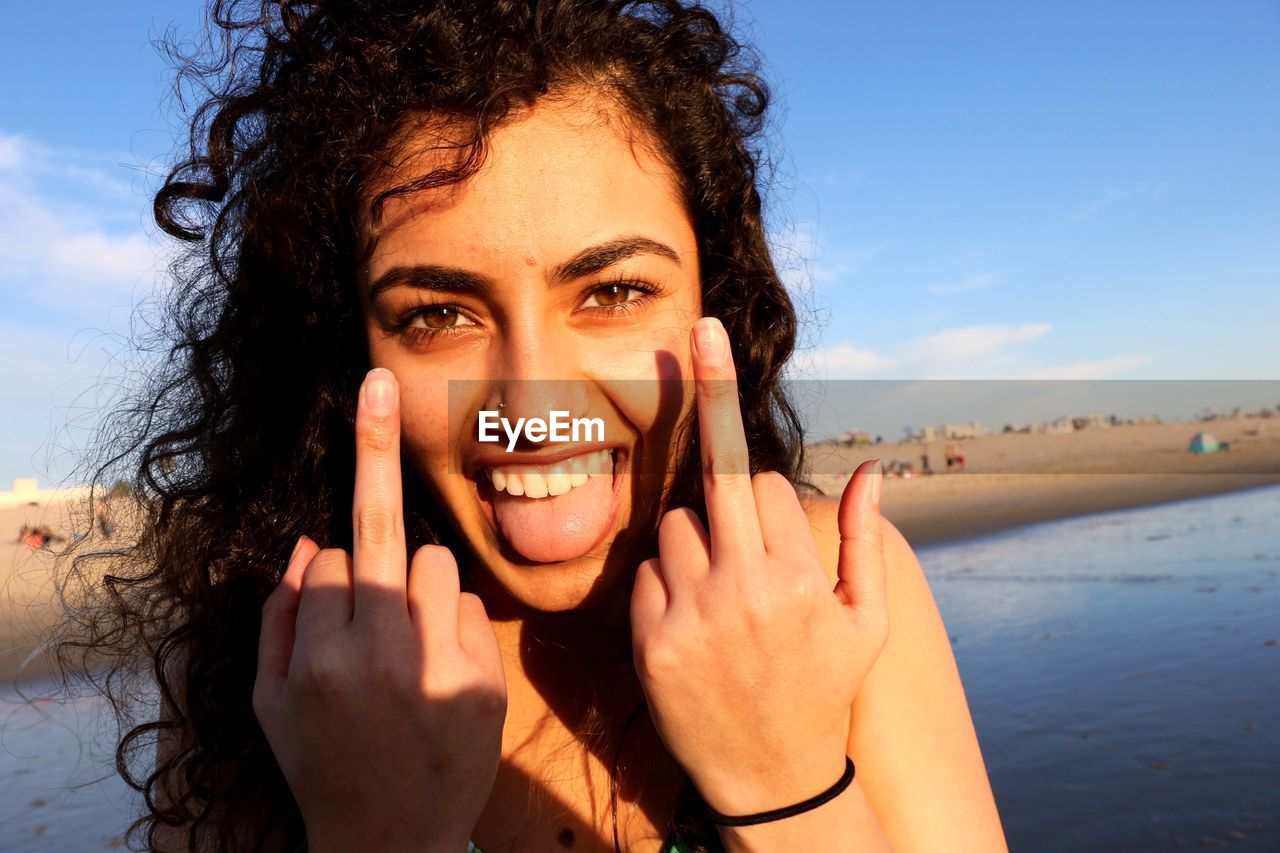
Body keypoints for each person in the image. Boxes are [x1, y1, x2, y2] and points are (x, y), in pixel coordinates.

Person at [53, 2, 1005, 851]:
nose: (531, 405)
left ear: (718, 301)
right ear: (348, 359)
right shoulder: (282, 660)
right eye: (437, 315)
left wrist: (785, 783)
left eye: (616, 291)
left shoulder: (834, 588)